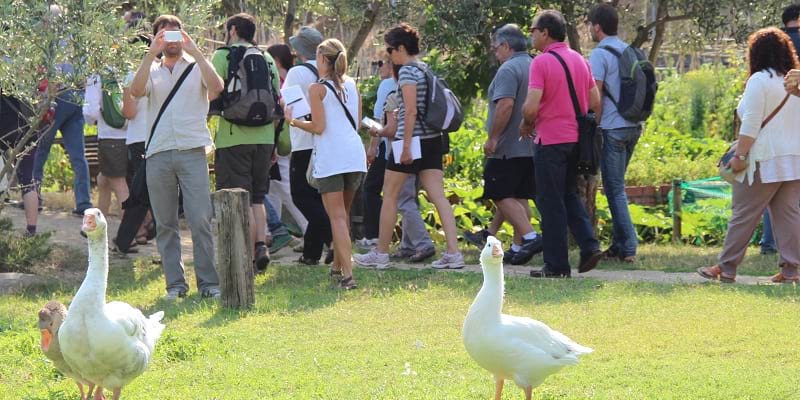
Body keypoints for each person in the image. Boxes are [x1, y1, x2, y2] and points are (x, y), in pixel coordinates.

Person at [129, 15, 224, 300]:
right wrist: (150, 54)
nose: (171, 41)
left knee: (200, 220)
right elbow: (135, 91)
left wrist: (195, 51)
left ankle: (209, 284)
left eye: (175, 34)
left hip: (192, 150)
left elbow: (217, 88)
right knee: (165, 224)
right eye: (164, 36)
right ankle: (175, 285)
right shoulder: (152, 69)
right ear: (157, 38)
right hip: (158, 152)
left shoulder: (197, 67)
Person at [355, 23, 464, 270]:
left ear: (401, 48)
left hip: (412, 142)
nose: (389, 54)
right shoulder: (425, 69)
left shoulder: (406, 72)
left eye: (391, 49)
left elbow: (411, 111)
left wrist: (404, 147)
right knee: (439, 197)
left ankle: (381, 253)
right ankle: (453, 253)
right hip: (433, 141)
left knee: (390, 195)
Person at [698, 27, 800, 284]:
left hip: (763, 159)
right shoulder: (794, 83)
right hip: (792, 159)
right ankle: (791, 270)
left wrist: (740, 155)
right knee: (788, 216)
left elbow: (751, 123)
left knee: (743, 214)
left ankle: (727, 267)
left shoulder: (759, 81)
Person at [520, 10, 602, 278]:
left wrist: (526, 124)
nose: (531, 34)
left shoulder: (541, 62)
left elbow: (531, 106)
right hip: (575, 140)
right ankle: (589, 246)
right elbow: (595, 102)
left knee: (550, 202)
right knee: (568, 195)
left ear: (545, 32)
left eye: (533, 30)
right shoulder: (580, 59)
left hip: (551, 141)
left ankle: (556, 266)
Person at [285, 38, 366, 290]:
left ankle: (348, 275)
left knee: (337, 217)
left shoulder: (317, 88)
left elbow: (318, 127)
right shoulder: (352, 84)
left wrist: (294, 121)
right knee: (344, 214)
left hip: (332, 156)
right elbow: (357, 119)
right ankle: (337, 267)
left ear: (321, 59)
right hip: (355, 155)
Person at [467, 24, 542, 266]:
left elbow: (505, 105)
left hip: (508, 147)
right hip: (530, 146)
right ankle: (519, 247)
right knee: (519, 196)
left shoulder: (508, 69)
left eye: (495, 48)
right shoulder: (534, 64)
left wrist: (493, 138)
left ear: (506, 46)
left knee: (499, 193)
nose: (494, 52)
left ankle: (530, 237)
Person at [210, 13, 279, 272]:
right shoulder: (267, 58)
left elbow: (211, 92)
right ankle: (260, 245)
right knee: (258, 198)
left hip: (233, 137)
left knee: (239, 200)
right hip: (264, 138)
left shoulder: (223, 57)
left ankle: (245, 257)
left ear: (234, 30)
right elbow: (276, 100)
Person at [364, 56, 436, 262]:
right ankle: (407, 245)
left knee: (402, 199)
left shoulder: (393, 92)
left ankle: (423, 243)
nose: (379, 67)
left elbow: (391, 129)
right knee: (409, 197)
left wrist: (376, 134)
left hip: (400, 148)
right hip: (420, 145)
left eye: (382, 63)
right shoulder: (418, 83)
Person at [587, 4, 641, 263]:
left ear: (597, 27)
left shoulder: (600, 54)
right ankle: (620, 245)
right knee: (616, 186)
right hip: (633, 126)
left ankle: (629, 246)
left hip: (613, 128)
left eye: (590, 25)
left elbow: (595, 96)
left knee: (614, 188)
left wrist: (592, 127)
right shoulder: (628, 49)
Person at [34, 5, 93, 216]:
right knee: (79, 156)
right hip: (76, 100)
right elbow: (85, 75)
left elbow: (46, 73)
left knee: (40, 151)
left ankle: (34, 198)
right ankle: (84, 203)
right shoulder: (76, 42)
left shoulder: (50, 43)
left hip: (56, 100)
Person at [285, 26, 333, 265]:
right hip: (326, 142)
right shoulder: (331, 72)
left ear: (300, 49)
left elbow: (290, 104)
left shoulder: (297, 73)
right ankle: (312, 253)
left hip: (304, 141)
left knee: (301, 196)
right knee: (317, 196)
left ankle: (333, 237)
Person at [266, 43, 308, 253]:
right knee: (274, 187)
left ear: (277, 61)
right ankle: (270, 232)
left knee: (285, 186)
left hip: (283, 140)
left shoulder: (284, 81)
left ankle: (309, 228)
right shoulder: (292, 77)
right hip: (291, 138)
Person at [83, 74, 129, 218]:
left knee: (120, 185)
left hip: (110, 137)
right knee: (103, 180)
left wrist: (90, 121)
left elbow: (91, 111)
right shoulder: (131, 67)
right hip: (134, 134)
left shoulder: (97, 75)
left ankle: (131, 232)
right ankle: (97, 225)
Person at [0, 93, 39, 236]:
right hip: (28, 127)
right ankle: (31, 230)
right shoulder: (26, 76)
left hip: (4, 127)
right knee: (28, 180)